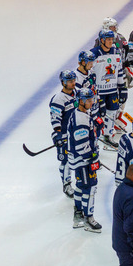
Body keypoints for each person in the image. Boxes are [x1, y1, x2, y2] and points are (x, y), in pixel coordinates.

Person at [66, 86, 103, 232]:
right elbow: (82, 146)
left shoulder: (81, 114)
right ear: (81, 101)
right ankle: (88, 219)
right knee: (89, 187)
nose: (92, 102)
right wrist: (92, 157)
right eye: (88, 99)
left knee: (81, 187)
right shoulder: (80, 119)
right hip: (83, 161)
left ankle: (78, 215)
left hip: (78, 160)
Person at [90, 29, 126, 147]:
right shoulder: (93, 53)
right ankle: (94, 140)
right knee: (98, 116)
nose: (111, 42)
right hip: (98, 92)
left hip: (112, 91)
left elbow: (119, 70)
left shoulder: (116, 52)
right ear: (102, 40)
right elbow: (89, 73)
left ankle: (108, 136)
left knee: (112, 113)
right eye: (108, 40)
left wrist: (122, 88)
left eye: (112, 39)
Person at [50, 70, 78, 199]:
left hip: (77, 134)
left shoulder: (77, 93)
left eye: (73, 80)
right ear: (63, 83)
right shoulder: (58, 99)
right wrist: (58, 135)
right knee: (66, 161)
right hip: (65, 136)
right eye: (70, 81)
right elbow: (55, 120)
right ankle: (66, 184)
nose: (73, 83)